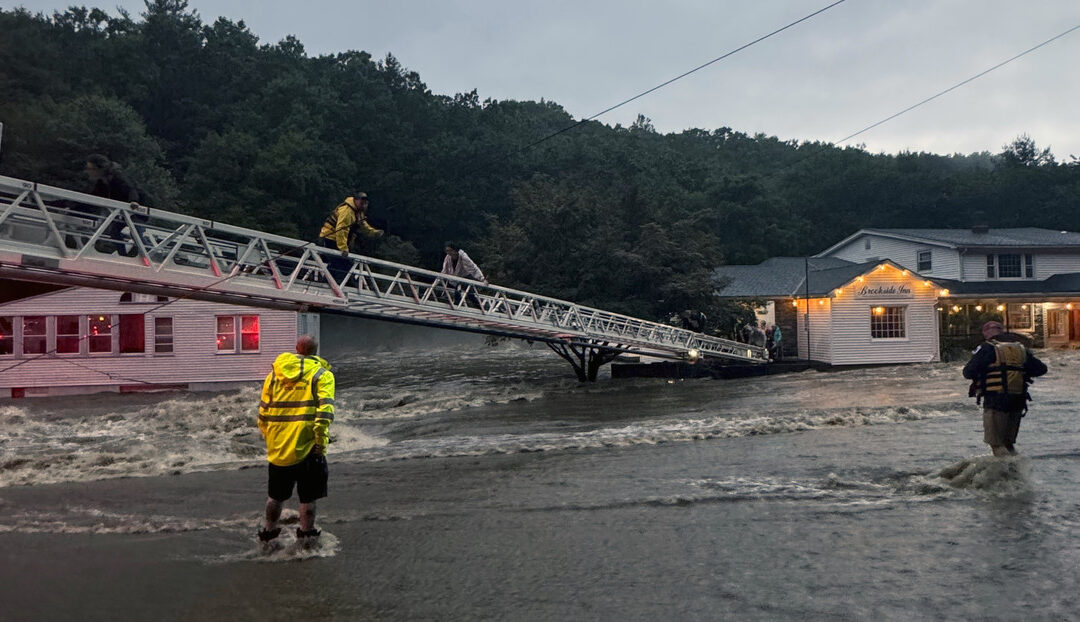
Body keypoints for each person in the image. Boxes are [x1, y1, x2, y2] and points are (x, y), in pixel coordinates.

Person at [256, 335, 335, 546]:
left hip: (279, 446)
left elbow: (263, 410)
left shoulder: (274, 374)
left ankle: (268, 533)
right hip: (308, 446)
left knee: (275, 496)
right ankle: (307, 537)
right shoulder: (322, 375)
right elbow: (325, 414)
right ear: (315, 352)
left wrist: (270, 437)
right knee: (308, 498)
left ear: (296, 349)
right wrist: (321, 443)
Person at [962, 320, 1047, 457]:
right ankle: (1018, 471)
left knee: (996, 444)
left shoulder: (987, 348)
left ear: (985, 333)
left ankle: (1008, 473)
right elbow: (1041, 369)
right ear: (1001, 331)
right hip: (1018, 401)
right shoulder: (1020, 349)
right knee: (1008, 443)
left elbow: (968, 372)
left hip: (996, 401)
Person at [79, 154, 142, 254]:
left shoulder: (118, 177)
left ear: (100, 169)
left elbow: (131, 189)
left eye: (91, 169)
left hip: (137, 208)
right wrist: (70, 205)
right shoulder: (102, 183)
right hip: (124, 211)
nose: (88, 172)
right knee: (114, 231)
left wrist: (133, 201)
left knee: (136, 233)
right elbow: (91, 197)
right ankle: (123, 255)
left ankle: (149, 254)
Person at [318, 192, 383, 281]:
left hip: (338, 240)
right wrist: (343, 248)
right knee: (342, 264)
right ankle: (332, 283)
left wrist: (374, 233)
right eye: (362, 202)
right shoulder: (347, 211)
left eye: (366, 203)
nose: (364, 205)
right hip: (331, 238)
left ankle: (328, 282)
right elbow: (341, 230)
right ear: (355, 200)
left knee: (339, 264)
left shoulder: (358, 212)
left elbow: (363, 225)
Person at [441, 242, 486, 307]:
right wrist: (440, 278)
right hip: (456, 278)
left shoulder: (463, 256)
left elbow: (473, 267)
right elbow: (445, 269)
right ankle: (456, 305)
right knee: (456, 292)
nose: (448, 253)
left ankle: (481, 307)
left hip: (466, 276)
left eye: (450, 251)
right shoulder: (448, 257)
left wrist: (482, 279)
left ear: (455, 250)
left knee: (470, 294)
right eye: (447, 251)